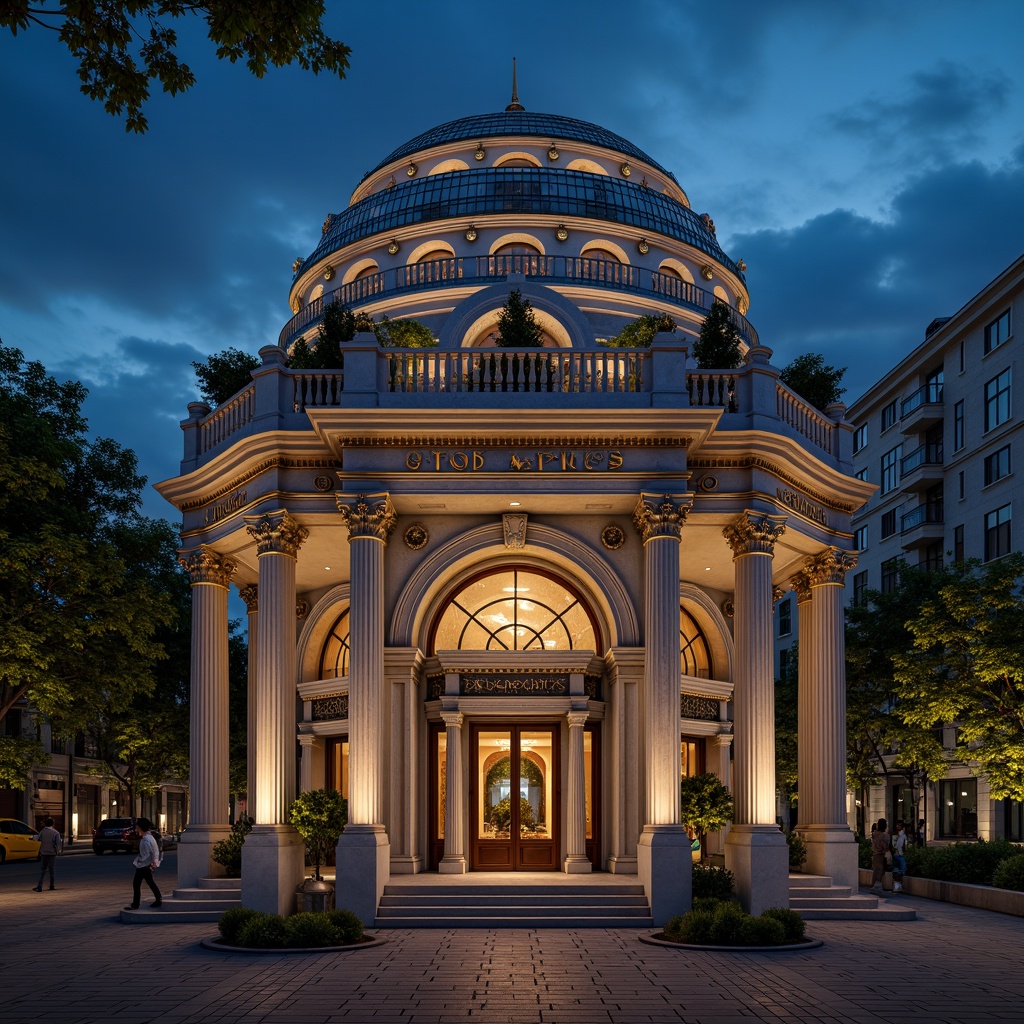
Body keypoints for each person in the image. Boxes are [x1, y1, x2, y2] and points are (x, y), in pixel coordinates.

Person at [124, 817, 162, 910]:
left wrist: (137, 861)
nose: (136, 827)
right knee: (149, 882)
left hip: (143, 865)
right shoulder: (150, 837)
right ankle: (158, 898)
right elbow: (155, 851)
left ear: (140, 827)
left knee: (136, 884)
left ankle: (135, 905)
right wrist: (155, 861)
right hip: (147, 865)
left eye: (137, 826)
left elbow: (145, 854)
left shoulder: (145, 839)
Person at [32, 817, 63, 892]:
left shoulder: (43, 831)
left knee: (43, 870)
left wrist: (32, 837)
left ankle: (39, 886)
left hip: (43, 852)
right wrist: (59, 851)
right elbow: (58, 843)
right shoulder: (56, 833)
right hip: (52, 853)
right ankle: (51, 885)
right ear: (52, 824)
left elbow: (37, 838)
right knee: (51, 870)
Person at [870, 817, 890, 894]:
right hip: (881, 855)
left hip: (875, 854)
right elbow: (885, 847)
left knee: (876, 870)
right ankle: (877, 887)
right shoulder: (884, 836)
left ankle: (874, 886)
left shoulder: (874, 834)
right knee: (880, 871)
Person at [891, 820, 908, 893]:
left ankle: (897, 886)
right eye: (897, 825)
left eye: (899, 825)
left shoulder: (900, 836)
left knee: (898, 869)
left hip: (898, 854)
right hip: (898, 854)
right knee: (898, 869)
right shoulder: (898, 835)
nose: (897, 826)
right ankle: (897, 886)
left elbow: (903, 846)